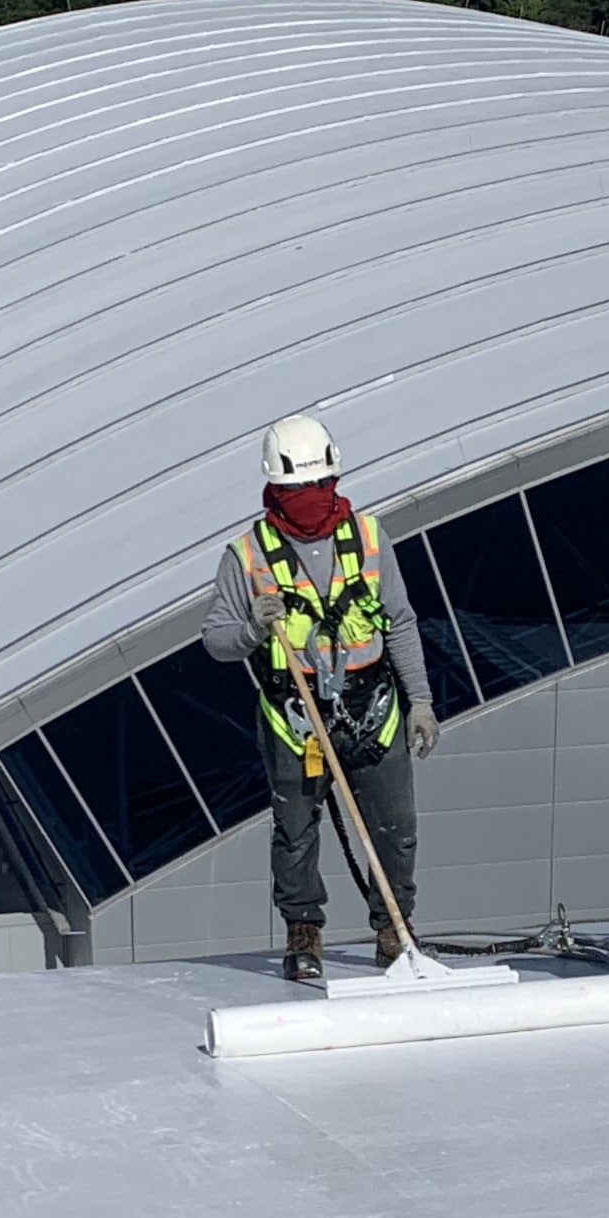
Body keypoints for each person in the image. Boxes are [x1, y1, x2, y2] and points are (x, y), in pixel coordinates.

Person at [198, 414, 443, 983]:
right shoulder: (247, 555)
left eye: (319, 486)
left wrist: (422, 702)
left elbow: (400, 624)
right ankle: (303, 932)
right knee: (296, 831)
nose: (310, 499)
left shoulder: (369, 539)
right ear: (275, 491)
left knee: (395, 827)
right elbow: (216, 640)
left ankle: (393, 928)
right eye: (297, 490)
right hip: (295, 717)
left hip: (371, 709)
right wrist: (255, 629)